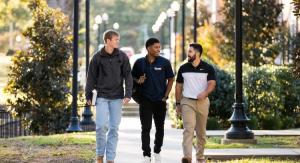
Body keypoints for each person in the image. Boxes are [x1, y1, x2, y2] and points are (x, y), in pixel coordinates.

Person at [85, 30, 132, 163]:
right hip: (101, 96)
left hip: (117, 97)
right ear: (107, 41)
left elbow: (128, 76)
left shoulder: (122, 57)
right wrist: (88, 95)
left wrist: (128, 94)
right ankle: (100, 155)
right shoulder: (97, 57)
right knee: (100, 126)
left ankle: (110, 158)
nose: (118, 41)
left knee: (114, 129)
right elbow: (91, 78)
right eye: (115, 39)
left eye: (118, 39)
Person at [132, 38, 174, 163]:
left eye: (159, 47)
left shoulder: (165, 62)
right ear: (148, 48)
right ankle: (146, 154)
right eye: (156, 47)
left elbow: (171, 79)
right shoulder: (139, 62)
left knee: (160, 127)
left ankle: (157, 151)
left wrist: (165, 96)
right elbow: (131, 77)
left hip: (160, 101)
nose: (158, 49)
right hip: (145, 100)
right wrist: (138, 80)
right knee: (146, 128)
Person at [175, 43, 216, 163]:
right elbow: (178, 86)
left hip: (203, 102)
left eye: (190, 52)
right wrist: (178, 103)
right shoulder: (183, 68)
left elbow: (212, 83)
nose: (188, 54)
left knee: (201, 132)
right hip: (187, 101)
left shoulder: (208, 68)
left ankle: (200, 156)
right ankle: (187, 157)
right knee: (188, 129)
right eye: (188, 51)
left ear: (197, 53)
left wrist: (205, 93)